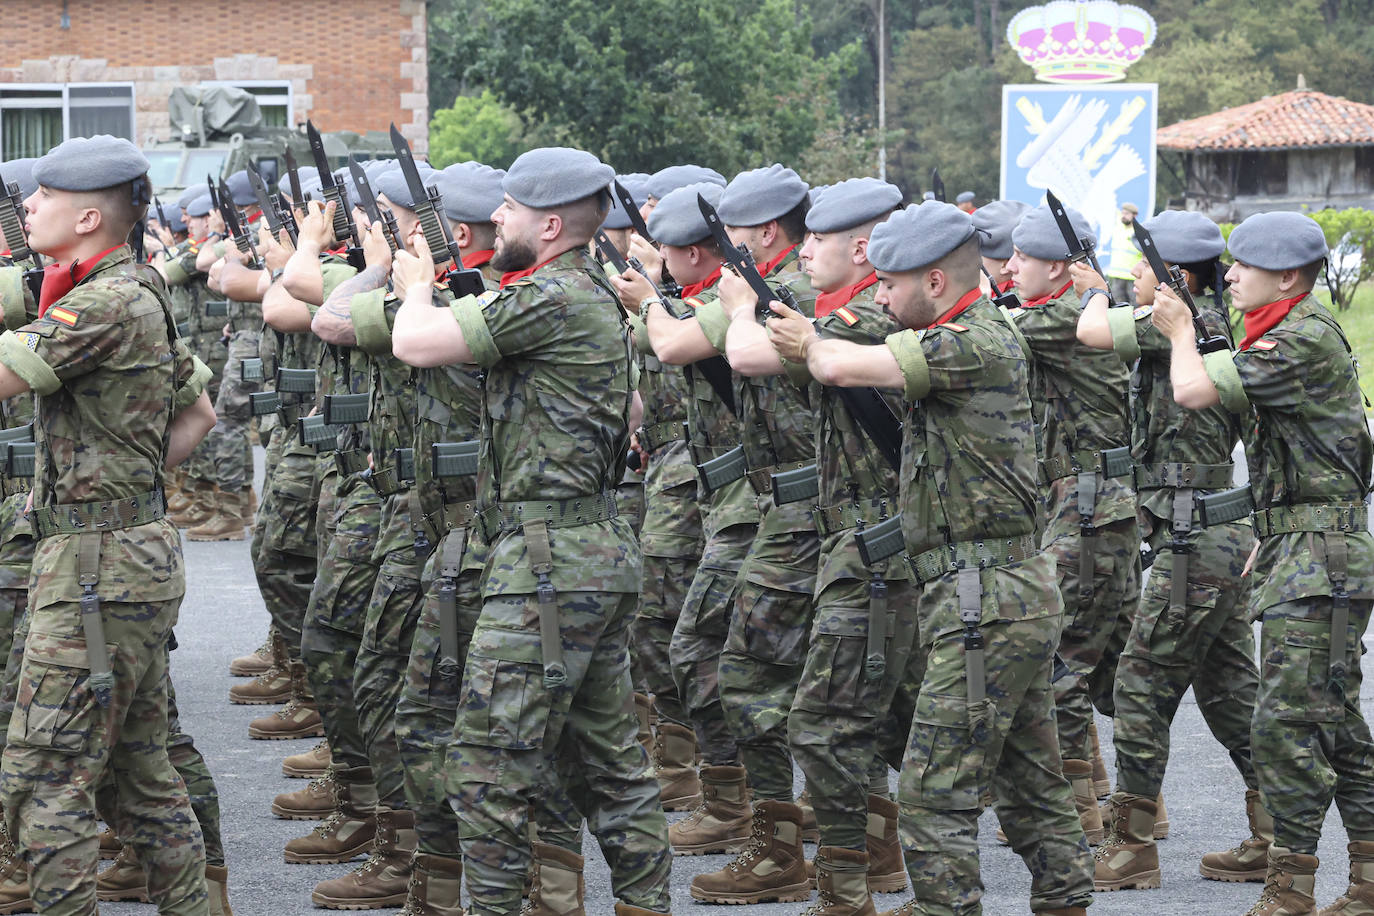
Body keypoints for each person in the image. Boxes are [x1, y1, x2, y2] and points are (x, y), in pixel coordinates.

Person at [770, 199, 1093, 915]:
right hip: (989, 593)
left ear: (937, 283)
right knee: (1029, 776)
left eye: (890, 283)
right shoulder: (960, 332)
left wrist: (807, 338)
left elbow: (842, 363)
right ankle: (1065, 900)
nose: (880, 296)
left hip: (987, 599)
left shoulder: (972, 341)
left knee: (933, 789)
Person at [391, 146, 671, 916]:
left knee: (486, 771)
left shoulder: (552, 295)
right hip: (580, 553)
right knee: (606, 762)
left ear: (549, 224)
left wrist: (418, 290)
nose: (496, 217)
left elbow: (415, 343)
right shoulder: (585, 293)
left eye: (509, 208)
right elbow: (629, 411)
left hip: (550, 564)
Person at [0, 135, 219, 913]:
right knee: (138, 769)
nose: (27, 206)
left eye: (43, 197)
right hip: (121, 554)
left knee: (42, 774)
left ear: (88, 216)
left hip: (97, 570)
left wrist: (110, 502)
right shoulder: (134, 288)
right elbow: (198, 409)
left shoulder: (103, 302)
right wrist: (127, 485)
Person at [1150, 210, 1374, 915]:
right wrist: (1272, 528)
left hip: (1320, 559)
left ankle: (1292, 888)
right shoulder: (1283, 333)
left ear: (1287, 275)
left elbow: (1192, 389)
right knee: (1333, 722)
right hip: (1308, 549)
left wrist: (1182, 332)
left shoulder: (1299, 338)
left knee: (1287, 725)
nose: (1233, 273)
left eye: (1247, 264)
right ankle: (1365, 881)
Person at [727, 176, 914, 914]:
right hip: (847, 537)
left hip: (874, 545)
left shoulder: (866, 318)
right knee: (861, 715)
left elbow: (748, 355)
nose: (804, 252)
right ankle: (866, 859)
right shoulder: (839, 314)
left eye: (818, 242)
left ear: (862, 249)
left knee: (834, 720)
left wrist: (740, 307)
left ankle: (850, 882)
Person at [1072, 209, 1264, 892]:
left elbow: (1090, 330)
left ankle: (1130, 847)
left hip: (1191, 540)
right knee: (1231, 692)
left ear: (1177, 276)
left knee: (1141, 684)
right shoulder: (1203, 319)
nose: (1133, 278)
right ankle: (1277, 834)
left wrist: (1092, 287)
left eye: (1143, 267)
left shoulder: (1184, 323)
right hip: (1208, 531)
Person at [1006, 203, 1139, 844]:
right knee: (1102, 668)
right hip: (1089, 507)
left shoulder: (1060, 317)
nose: (1009, 269)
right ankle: (1112, 809)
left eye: (1021, 259)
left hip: (1088, 513)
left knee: (1063, 666)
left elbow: (990, 333)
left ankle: (1076, 817)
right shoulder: (1077, 308)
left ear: (1058, 267)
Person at [1105, 203, 1141, 307]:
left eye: (1127, 213)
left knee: (1136, 305)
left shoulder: (1138, 232)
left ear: (1134, 215)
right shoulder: (1118, 227)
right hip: (1117, 276)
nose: (1123, 215)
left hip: (1133, 277)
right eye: (1123, 213)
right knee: (1118, 306)